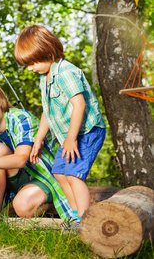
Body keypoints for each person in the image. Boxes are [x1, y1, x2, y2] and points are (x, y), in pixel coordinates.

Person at [13, 24, 106, 227]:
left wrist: (71, 139)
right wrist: (38, 139)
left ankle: (85, 220)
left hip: (87, 132)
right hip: (69, 135)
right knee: (59, 172)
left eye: (32, 62)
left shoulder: (66, 73)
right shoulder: (44, 78)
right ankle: (74, 215)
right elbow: (48, 111)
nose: (30, 68)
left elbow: (79, 105)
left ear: (46, 51)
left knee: (73, 174)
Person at [0, 81, 73, 219]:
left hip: (43, 177)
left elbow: (21, 159)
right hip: (17, 185)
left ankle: (54, 204)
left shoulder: (21, 119)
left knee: (23, 206)